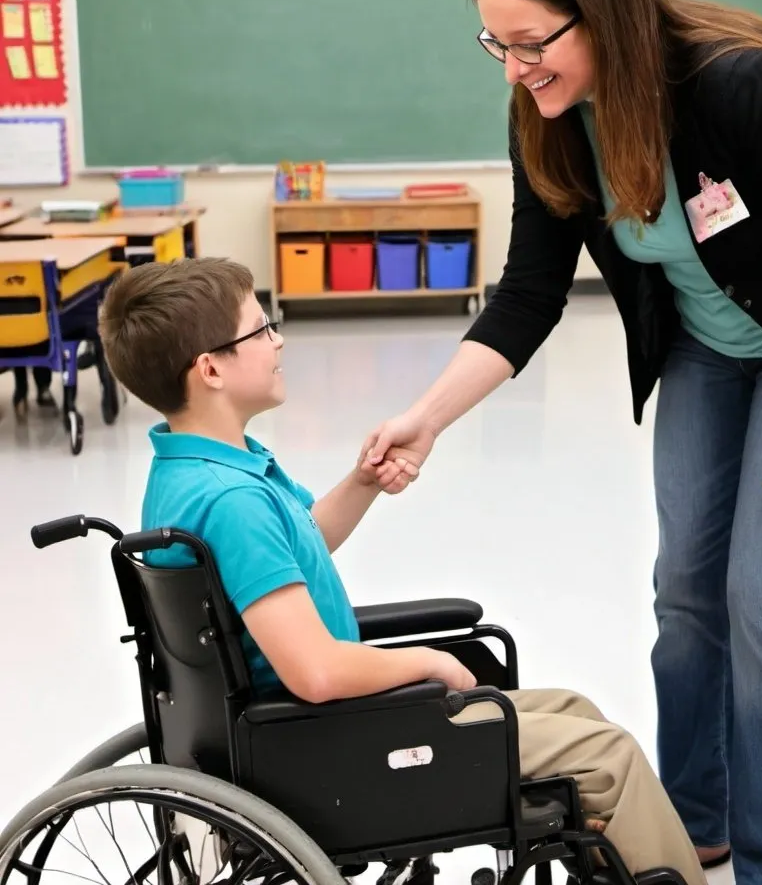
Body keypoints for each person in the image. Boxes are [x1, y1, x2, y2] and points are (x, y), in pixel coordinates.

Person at [360, 0, 762, 885]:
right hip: (714, 345)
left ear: (598, 13)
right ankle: (696, 821)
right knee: (686, 587)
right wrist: (424, 418)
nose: (513, 68)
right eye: (493, 45)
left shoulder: (738, 88)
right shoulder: (545, 122)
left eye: (529, 43)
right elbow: (528, 297)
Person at [96, 256, 708, 885]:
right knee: (613, 757)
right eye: (260, 329)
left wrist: (362, 484)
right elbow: (316, 670)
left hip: (296, 727)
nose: (278, 339)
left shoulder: (198, 475)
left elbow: (297, 548)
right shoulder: (234, 502)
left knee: (576, 709)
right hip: (333, 742)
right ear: (211, 369)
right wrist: (429, 662)